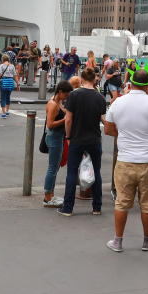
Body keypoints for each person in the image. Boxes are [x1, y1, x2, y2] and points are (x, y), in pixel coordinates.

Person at [104, 66, 148, 252]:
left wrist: (124, 133)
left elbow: (108, 129)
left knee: (122, 202)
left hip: (125, 160)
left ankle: (117, 241)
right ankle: (147, 240)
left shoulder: (118, 103)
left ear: (130, 83)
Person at [58, 68, 105, 216]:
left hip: (77, 138)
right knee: (96, 171)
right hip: (94, 139)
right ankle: (97, 207)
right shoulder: (100, 97)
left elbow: (68, 119)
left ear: (82, 79)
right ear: (94, 79)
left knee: (72, 172)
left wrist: (68, 136)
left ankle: (68, 208)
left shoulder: (74, 95)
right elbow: (105, 120)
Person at [43, 81, 72, 208]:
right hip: (54, 137)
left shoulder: (58, 103)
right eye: (66, 94)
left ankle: (51, 195)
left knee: (54, 168)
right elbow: (50, 124)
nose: (67, 96)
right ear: (60, 92)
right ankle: (47, 197)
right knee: (52, 168)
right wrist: (65, 119)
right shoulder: (53, 104)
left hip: (57, 137)